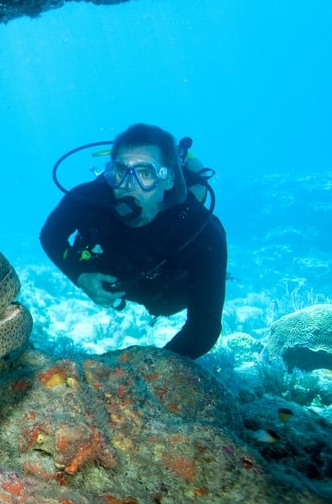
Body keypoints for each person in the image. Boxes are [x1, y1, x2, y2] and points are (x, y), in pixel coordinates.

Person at [39, 123, 227, 358]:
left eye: (145, 173)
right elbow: (50, 236)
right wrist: (79, 275)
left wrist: (149, 369)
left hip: (167, 295)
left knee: (169, 303)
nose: (128, 185)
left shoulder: (201, 230)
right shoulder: (88, 199)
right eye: (120, 171)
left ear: (167, 179)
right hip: (122, 277)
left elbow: (205, 325)